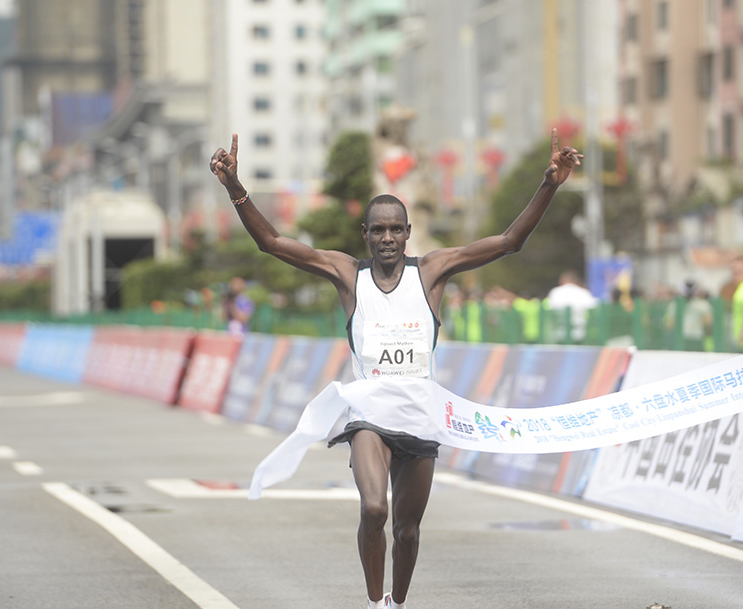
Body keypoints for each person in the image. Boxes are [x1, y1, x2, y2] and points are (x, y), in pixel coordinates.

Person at [210, 130, 582, 609]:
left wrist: (549, 184)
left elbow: (509, 241)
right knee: (374, 507)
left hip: (420, 416)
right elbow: (274, 243)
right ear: (364, 235)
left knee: (407, 530)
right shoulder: (348, 274)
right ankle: (373, 603)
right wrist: (235, 188)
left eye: (396, 230)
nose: (387, 238)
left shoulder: (431, 272)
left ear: (408, 234)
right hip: (369, 414)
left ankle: (396, 604)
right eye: (378, 230)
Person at [544, 270, 597, 344]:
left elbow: (548, 310)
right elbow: (594, 309)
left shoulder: (555, 292)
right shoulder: (584, 293)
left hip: (559, 333)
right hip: (581, 333)